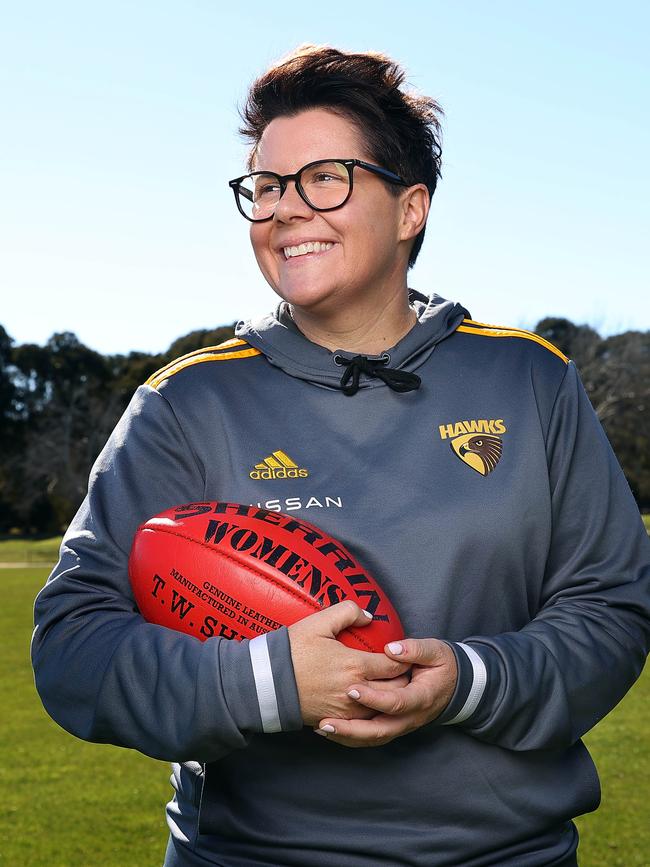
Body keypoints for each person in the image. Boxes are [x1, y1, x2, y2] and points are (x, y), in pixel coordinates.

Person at [32, 44, 650, 867]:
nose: (285, 208)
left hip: (506, 855)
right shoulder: (188, 401)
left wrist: (467, 680)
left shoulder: (530, 381)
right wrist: (271, 680)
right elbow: (75, 649)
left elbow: (610, 611)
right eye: (266, 187)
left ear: (410, 208)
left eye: (325, 176)